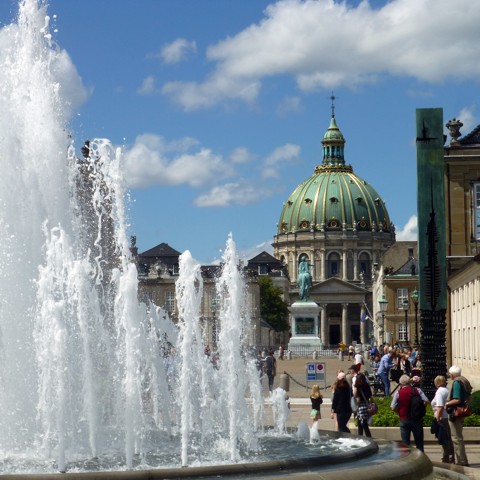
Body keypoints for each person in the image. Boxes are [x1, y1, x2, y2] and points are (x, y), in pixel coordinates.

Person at [390, 374, 429, 451]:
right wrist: (422, 408)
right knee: (419, 442)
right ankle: (421, 458)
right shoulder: (417, 390)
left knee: (405, 443)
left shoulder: (398, 393)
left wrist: (399, 412)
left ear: (401, 383)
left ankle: (407, 458)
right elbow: (426, 401)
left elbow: (392, 407)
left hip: (404, 419)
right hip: (417, 418)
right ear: (409, 382)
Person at [445, 365, 471, 466]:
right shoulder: (464, 380)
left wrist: (447, 404)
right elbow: (469, 396)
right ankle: (462, 460)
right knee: (458, 437)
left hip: (456, 413)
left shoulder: (456, 382)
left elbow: (457, 399)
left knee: (456, 438)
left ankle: (462, 461)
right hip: (461, 411)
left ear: (452, 375)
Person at [432, 375, 454, 464]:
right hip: (447, 416)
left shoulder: (439, 392)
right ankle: (452, 457)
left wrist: (437, 418)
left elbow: (440, 406)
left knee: (443, 439)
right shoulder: (447, 390)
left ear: (436, 383)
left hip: (442, 417)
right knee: (449, 438)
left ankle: (445, 458)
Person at [353, 372, 373, 437]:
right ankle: (366, 437)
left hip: (360, 406)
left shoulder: (358, 386)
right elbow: (370, 395)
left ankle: (362, 437)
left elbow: (356, 397)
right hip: (367, 405)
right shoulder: (367, 385)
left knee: (361, 423)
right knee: (363, 423)